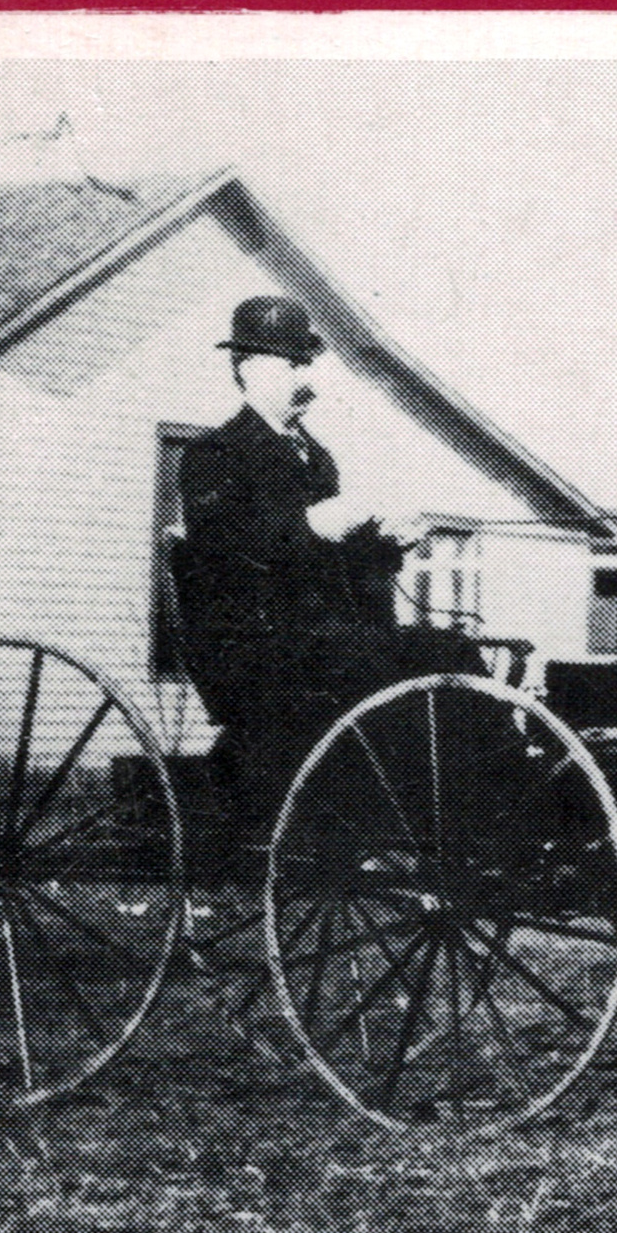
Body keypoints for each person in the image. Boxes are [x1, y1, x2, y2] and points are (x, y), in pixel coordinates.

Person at [173, 295, 482, 842]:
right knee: (438, 652)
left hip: (322, 638)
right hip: (256, 647)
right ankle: (474, 812)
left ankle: (477, 802)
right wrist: (314, 525)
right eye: (294, 364)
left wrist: (387, 547)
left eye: (307, 363)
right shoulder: (212, 455)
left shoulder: (317, 458)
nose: (307, 378)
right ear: (249, 370)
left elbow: (335, 567)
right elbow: (228, 555)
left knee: (454, 647)